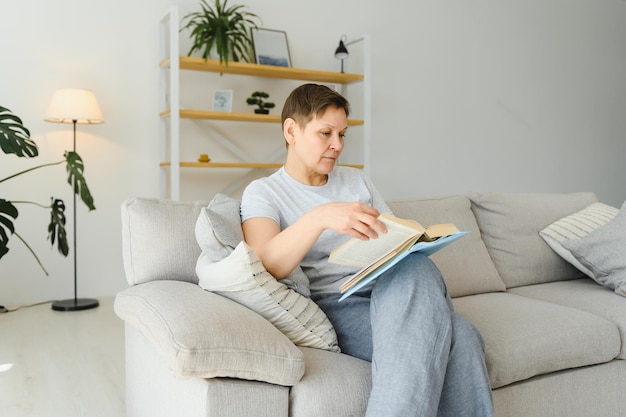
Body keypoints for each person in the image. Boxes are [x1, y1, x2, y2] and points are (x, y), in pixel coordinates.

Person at [240, 83, 494, 417]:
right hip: (339, 303)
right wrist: (321, 217)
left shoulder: (357, 181)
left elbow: (394, 238)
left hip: (389, 288)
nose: (337, 145)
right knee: (462, 337)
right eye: (326, 133)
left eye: (343, 135)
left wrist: (408, 242)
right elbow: (266, 262)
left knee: (416, 266)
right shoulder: (264, 192)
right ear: (291, 131)